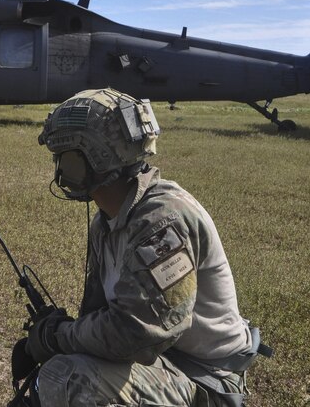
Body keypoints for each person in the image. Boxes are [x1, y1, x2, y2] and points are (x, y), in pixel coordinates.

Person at [26, 87, 269, 407]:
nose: (59, 169)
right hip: (166, 361)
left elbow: (136, 335)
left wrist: (57, 337)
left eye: (63, 157)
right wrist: (61, 334)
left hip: (205, 376)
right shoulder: (108, 222)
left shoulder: (162, 222)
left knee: (67, 378)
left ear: (89, 159)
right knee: (56, 372)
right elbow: (101, 315)